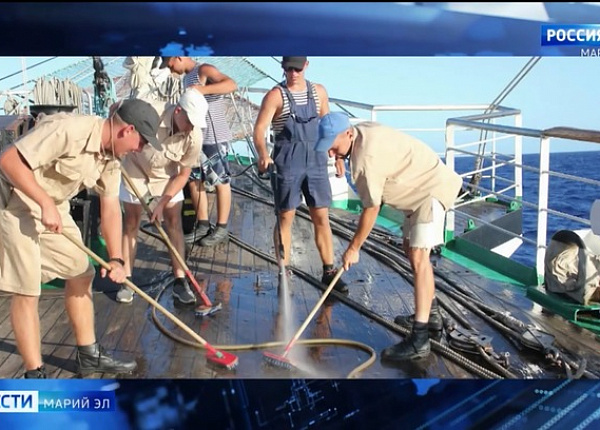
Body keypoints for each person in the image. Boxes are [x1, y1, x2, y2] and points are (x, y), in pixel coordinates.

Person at [0, 98, 160, 378]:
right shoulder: (69, 130)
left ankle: (89, 356)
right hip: (13, 203)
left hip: (52, 205)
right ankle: (34, 374)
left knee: (81, 272)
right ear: (128, 130)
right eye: (142, 143)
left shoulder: (111, 157)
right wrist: (43, 203)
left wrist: (116, 258)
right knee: (27, 290)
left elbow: (111, 208)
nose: (139, 150)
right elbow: (8, 161)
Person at [314, 112, 463, 361]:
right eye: (328, 149)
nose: (331, 154)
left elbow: (372, 208)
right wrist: (341, 155)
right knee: (409, 248)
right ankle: (432, 315)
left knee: (419, 258)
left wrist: (354, 248)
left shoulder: (365, 161)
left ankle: (419, 339)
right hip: (417, 189)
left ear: (348, 134)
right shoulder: (359, 132)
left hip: (430, 191)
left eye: (333, 147)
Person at [252, 56, 348, 292]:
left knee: (321, 216)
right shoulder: (275, 96)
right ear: (282, 68)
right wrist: (263, 153)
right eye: (287, 68)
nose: (292, 73)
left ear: (306, 66)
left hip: (316, 161)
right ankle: (283, 272)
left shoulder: (319, 93)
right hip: (287, 161)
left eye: (296, 68)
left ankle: (329, 271)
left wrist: (338, 157)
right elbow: (259, 129)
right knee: (285, 217)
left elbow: (329, 126)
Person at [117, 88, 208, 305]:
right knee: (131, 223)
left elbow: (184, 173)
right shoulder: (151, 111)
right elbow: (117, 113)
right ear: (178, 111)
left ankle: (179, 281)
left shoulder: (194, 137)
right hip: (134, 169)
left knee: (174, 222)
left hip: (166, 176)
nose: (192, 126)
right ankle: (126, 280)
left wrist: (162, 202)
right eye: (190, 120)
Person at [160, 56, 237, 247]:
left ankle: (222, 227)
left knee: (219, 180)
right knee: (194, 179)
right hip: (196, 137)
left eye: (170, 64)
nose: (170, 69)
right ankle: (202, 224)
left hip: (214, 136)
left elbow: (231, 84)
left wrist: (203, 89)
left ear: (178, 57)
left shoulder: (204, 70)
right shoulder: (186, 78)